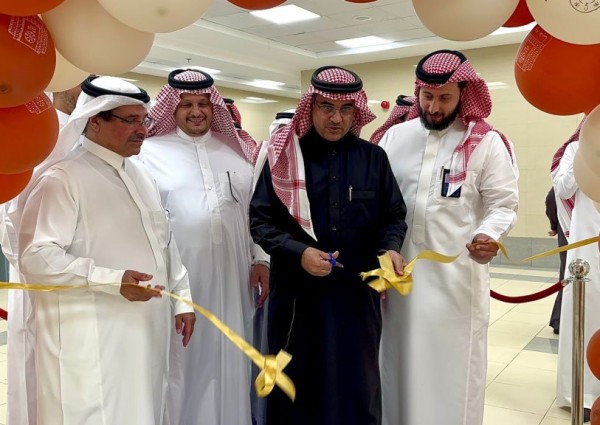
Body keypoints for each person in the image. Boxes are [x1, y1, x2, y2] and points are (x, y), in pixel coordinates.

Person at [16, 75, 196, 424]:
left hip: (146, 333)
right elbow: (36, 258)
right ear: (94, 120)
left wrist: (182, 299)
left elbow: (164, 241)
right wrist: (111, 280)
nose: (142, 130)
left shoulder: (141, 175)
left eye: (143, 120)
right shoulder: (63, 179)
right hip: (92, 340)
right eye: (130, 121)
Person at [250, 65, 407, 425]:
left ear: (356, 111)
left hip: (357, 297)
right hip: (297, 297)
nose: (336, 118)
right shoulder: (285, 158)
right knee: (295, 385)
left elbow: (393, 216)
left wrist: (391, 248)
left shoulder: (374, 159)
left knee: (357, 383)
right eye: (327, 108)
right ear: (311, 107)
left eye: (346, 109)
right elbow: (260, 221)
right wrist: (299, 252)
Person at [379, 49, 519, 425]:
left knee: (452, 373)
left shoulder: (486, 142)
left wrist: (489, 234)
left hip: (457, 284)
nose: (434, 107)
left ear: (463, 93)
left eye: (445, 98)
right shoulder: (394, 137)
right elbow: (377, 203)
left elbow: (503, 203)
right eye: (427, 96)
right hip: (400, 280)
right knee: (398, 365)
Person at [140, 68, 267, 425]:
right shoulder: (149, 153)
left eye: (203, 104)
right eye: (186, 104)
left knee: (234, 350)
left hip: (235, 278)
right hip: (182, 280)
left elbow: (256, 213)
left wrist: (261, 259)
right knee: (186, 361)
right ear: (172, 109)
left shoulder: (236, 151)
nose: (196, 112)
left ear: (215, 107)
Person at [1, 80, 86, 425]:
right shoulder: (36, 129)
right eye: (79, 80)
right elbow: (11, 213)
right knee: (35, 373)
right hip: (35, 278)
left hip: (84, 281)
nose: (84, 88)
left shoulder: (89, 132)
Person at [553, 138, 599, 423]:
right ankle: (582, 395)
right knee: (585, 314)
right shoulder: (575, 150)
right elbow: (562, 188)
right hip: (586, 249)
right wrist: (586, 153)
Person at [545, 187, 567, 334]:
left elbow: (551, 199)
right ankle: (559, 320)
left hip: (566, 231)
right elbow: (552, 198)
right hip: (572, 232)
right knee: (569, 276)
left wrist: (554, 225)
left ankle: (560, 320)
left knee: (567, 275)